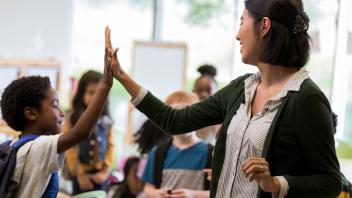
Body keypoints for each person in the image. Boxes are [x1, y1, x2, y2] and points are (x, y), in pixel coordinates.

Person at [104, 0, 342, 197]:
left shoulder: (306, 99)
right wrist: (122, 77)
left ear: (264, 26)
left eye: (242, 22)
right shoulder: (241, 88)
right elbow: (175, 121)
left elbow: (330, 181)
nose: (237, 34)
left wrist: (276, 183)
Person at [0, 26, 115, 197]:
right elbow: (79, 134)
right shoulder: (38, 147)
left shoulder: (19, 147)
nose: (62, 113)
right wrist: (105, 85)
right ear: (31, 114)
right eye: (55, 105)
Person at [141, 91, 212, 198]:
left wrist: (193, 195)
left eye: (187, 113)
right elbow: (148, 188)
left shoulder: (212, 153)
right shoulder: (158, 153)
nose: (181, 120)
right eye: (175, 114)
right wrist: (158, 194)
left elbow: (222, 192)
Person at [64, 70, 115, 195]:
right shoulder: (72, 118)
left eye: (99, 93)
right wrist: (79, 174)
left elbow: (111, 146)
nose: (96, 97)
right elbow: (69, 148)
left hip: (100, 175)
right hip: (80, 175)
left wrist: (105, 171)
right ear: (81, 94)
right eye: (91, 92)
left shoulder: (107, 119)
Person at [193, 64, 220, 145]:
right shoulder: (190, 110)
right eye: (200, 90)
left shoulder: (219, 113)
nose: (204, 95)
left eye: (208, 91)